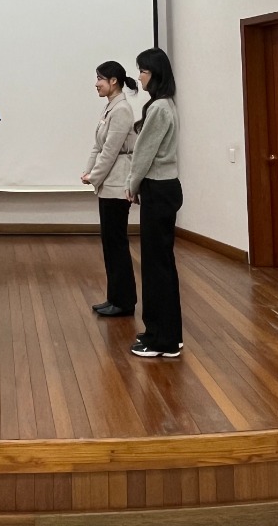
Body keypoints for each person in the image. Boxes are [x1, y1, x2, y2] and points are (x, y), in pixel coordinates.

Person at [126, 47, 182, 358]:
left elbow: (144, 153)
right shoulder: (166, 104)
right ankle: (168, 334)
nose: (139, 77)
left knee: (156, 266)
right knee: (163, 264)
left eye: (143, 71)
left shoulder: (159, 108)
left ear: (155, 74)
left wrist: (131, 186)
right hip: (165, 188)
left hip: (158, 190)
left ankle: (161, 340)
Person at [82, 61, 138, 317]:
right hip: (107, 184)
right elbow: (98, 146)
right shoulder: (110, 107)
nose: (96, 84)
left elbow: (111, 151)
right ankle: (114, 297)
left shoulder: (122, 110)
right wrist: (88, 172)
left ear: (114, 81)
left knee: (116, 244)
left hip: (117, 185)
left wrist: (94, 177)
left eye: (100, 79)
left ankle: (124, 302)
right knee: (110, 244)